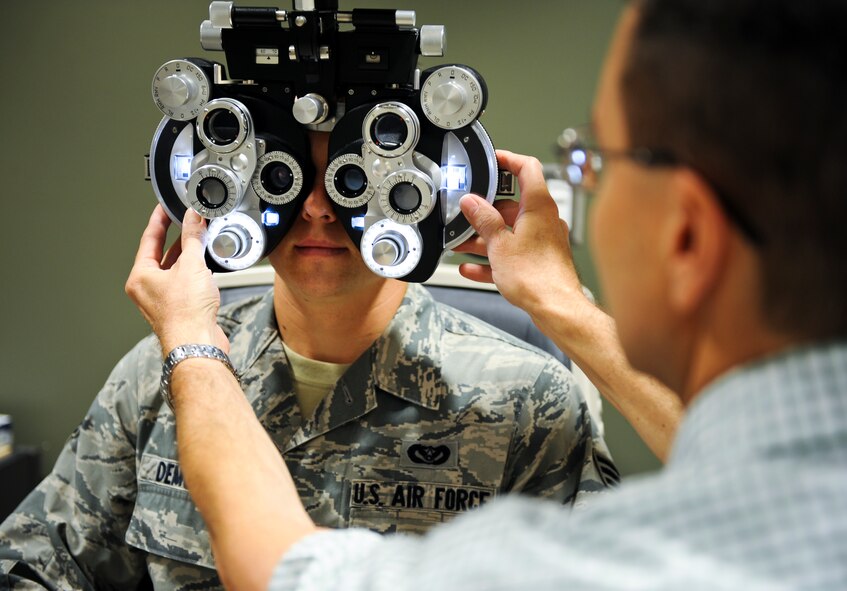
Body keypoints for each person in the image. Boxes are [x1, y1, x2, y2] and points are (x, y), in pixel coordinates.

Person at [121, 0, 847, 589]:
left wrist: (189, 346)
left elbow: (287, 575)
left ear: (685, 235)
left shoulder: (578, 518)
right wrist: (562, 304)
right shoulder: (778, 511)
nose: (317, 209)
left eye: (595, 157)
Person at [0, 129, 623, 589]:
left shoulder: (524, 400)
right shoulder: (154, 377)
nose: (319, 207)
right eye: (287, 176)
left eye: (353, 180)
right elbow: (35, 566)